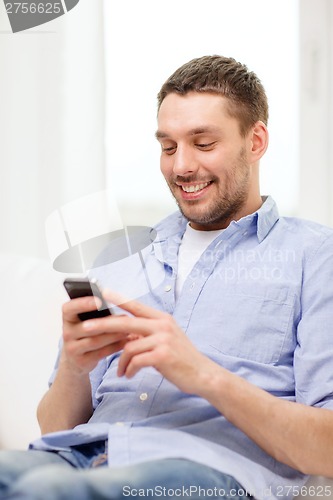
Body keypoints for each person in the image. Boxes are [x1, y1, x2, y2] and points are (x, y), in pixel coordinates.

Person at [1, 55, 333, 500]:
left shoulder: (314, 256)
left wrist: (200, 373)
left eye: (203, 143)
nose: (181, 167)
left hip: (203, 471)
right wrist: (74, 370)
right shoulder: (121, 257)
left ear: (255, 142)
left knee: (49, 491)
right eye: (169, 147)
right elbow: (54, 428)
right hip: (73, 454)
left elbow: (327, 449)